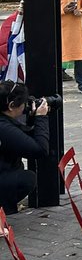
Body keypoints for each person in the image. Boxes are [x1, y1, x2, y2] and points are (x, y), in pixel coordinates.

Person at [0, 82, 49, 215]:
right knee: (27, 178)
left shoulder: (4, 122)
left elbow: (22, 138)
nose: (24, 107)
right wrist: (41, 118)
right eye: (23, 104)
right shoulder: (4, 128)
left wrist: (32, 119)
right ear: (11, 106)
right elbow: (40, 150)